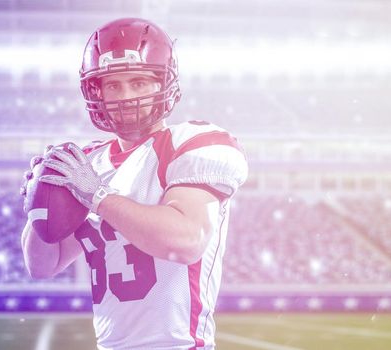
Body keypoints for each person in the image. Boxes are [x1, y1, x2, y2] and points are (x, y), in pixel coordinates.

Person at [20, 17, 248, 350]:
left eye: (139, 81)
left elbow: (186, 241)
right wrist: (38, 208)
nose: (126, 96)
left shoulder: (191, 143)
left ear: (163, 84)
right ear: (96, 92)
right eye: (113, 85)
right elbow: (43, 265)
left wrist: (97, 196)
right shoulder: (87, 162)